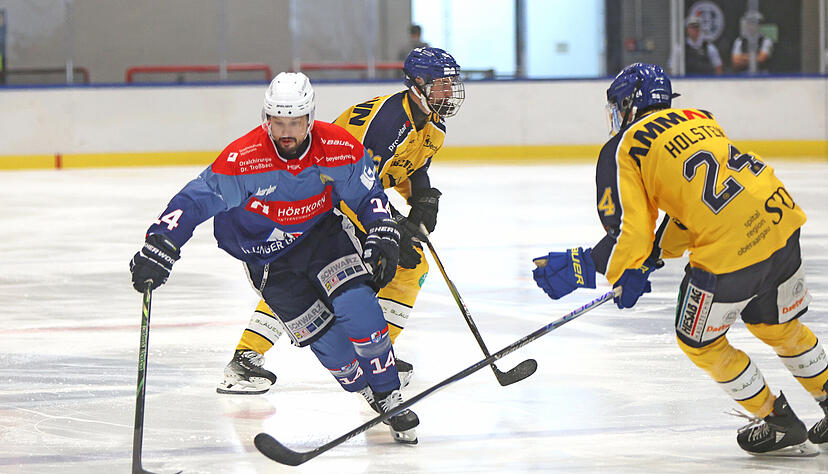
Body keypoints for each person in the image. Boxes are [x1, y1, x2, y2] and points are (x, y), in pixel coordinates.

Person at [531, 62, 828, 456]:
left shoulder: (625, 146)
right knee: (780, 328)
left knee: (699, 341)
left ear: (629, 105)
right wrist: (650, 256)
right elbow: (693, 210)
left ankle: (776, 420)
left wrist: (596, 266)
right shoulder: (702, 118)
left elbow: (630, 231)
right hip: (779, 220)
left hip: (730, 251)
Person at [129, 71, 419, 444]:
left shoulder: (338, 147)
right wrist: (161, 243)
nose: (286, 131)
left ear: (310, 118)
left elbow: (366, 193)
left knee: (358, 304)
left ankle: (388, 394)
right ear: (266, 118)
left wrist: (381, 228)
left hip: (321, 238)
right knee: (329, 344)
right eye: (278, 121)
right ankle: (366, 391)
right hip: (266, 261)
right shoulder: (244, 158)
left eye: (295, 122)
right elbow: (195, 199)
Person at [219, 47, 465, 396]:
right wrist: (390, 226)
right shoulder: (388, 125)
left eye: (452, 83)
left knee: (405, 268)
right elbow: (353, 183)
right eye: (442, 85)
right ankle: (245, 358)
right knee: (312, 276)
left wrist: (422, 197)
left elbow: (414, 165)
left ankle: (377, 357)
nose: (449, 92)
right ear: (417, 85)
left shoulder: (431, 125)